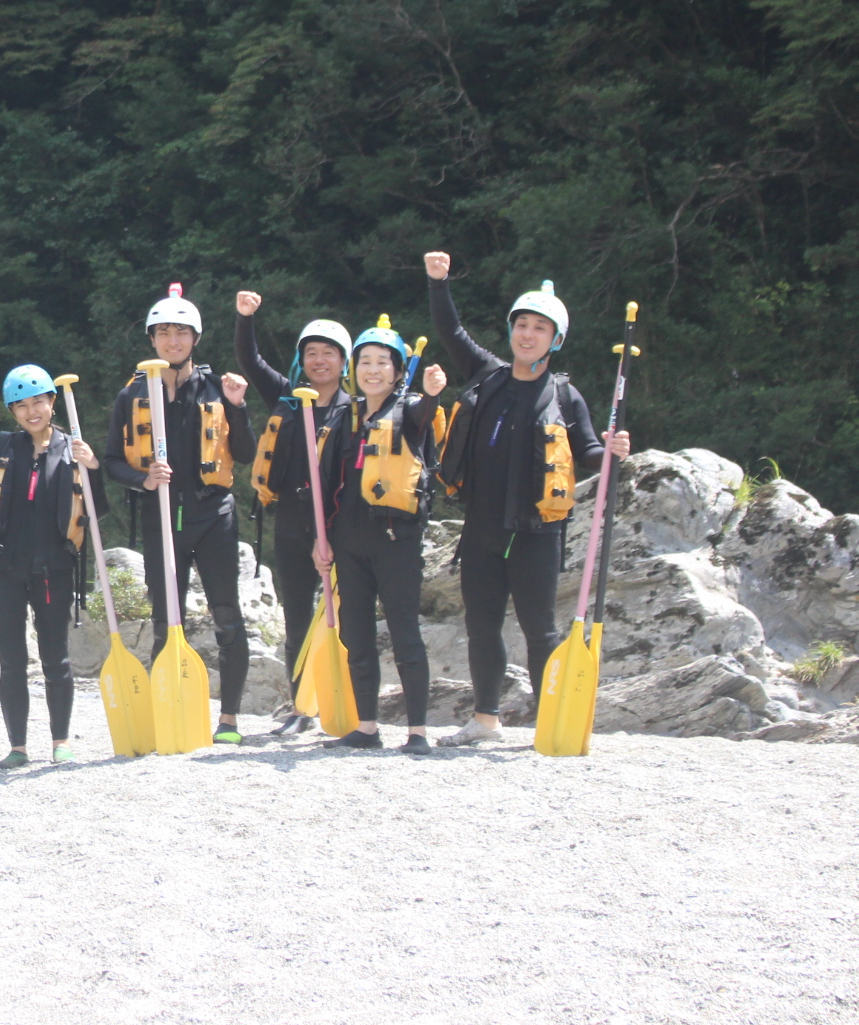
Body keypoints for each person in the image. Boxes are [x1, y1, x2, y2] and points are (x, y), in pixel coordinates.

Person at [425, 253, 632, 746]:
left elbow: (587, 452)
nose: (528, 334)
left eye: (540, 328)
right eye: (521, 324)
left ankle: (548, 720)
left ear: (555, 340)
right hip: (482, 527)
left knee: (540, 629)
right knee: (481, 625)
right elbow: (451, 331)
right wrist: (439, 283)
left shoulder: (566, 396)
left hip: (537, 532)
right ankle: (485, 719)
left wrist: (612, 452)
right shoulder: (486, 374)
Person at [103, 288, 256, 745]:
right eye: (164, 332)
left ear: (195, 339)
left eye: (181, 332)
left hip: (214, 517)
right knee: (167, 618)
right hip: (161, 519)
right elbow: (112, 459)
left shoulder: (219, 389)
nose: (173, 340)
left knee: (226, 615)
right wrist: (142, 479)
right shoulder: (132, 394)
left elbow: (244, 454)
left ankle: (228, 719)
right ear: (152, 339)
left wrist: (241, 406)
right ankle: (168, 713)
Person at [0, 362, 106, 767]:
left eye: (39, 401)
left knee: (55, 657)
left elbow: (98, 510)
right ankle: (17, 746)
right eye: (21, 406)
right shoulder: (6, 445)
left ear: (53, 402)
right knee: (12, 657)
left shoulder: (73, 449)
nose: (31, 411)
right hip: (4, 567)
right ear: (13, 412)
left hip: (54, 567)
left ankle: (61, 741)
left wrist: (92, 468)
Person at [311, 319, 447, 751]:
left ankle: (418, 731)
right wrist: (322, 539)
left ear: (397, 370)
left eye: (382, 363)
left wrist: (433, 392)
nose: (373, 370)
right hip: (348, 544)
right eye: (365, 362)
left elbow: (426, 414)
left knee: (405, 632)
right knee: (357, 634)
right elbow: (329, 483)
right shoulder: (343, 417)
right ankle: (367, 726)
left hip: (395, 542)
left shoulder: (409, 411)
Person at [234, 292, 354, 734]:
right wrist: (246, 318)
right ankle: (302, 706)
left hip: (339, 527)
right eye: (311, 353)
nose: (319, 361)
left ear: (344, 363)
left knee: (344, 617)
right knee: (298, 617)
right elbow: (249, 359)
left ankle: (342, 699)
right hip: (290, 521)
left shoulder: (355, 410)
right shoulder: (287, 398)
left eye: (329, 354)